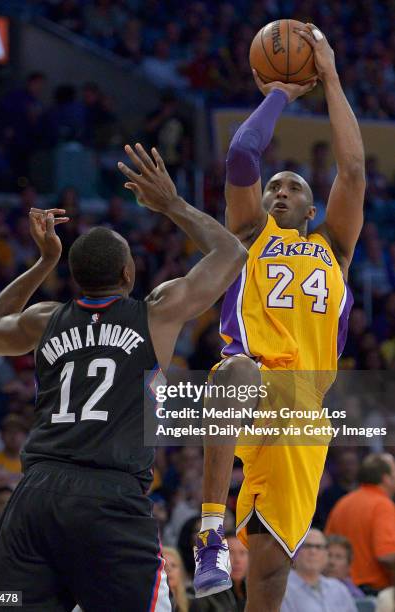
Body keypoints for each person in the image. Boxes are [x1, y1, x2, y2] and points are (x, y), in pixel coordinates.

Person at [0, 144, 246, 611]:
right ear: (128, 271)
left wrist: (41, 263)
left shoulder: (45, 318)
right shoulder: (155, 314)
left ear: (75, 275)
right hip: (111, 500)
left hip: (37, 494)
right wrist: (172, 203)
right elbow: (231, 252)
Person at [193, 22, 366, 612]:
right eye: (274, 188)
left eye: (293, 187)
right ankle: (210, 532)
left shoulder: (335, 247)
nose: (281, 193)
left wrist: (333, 75)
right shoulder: (247, 234)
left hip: (304, 413)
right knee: (236, 371)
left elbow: (354, 171)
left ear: (314, 206)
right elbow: (243, 152)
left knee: (269, 576)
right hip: (255, 382)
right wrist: (283, 94)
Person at [325, 453, 395, 595]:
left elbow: (327, 544)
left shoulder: (343, 502)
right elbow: (386, 555)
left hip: (340, 589)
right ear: (386, 479)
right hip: (372, 593)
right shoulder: (382, 505)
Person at [280, 529, 357, 612]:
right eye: (307, 546)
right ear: (295, 552)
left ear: (326, 554)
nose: (313, 551)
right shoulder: (282, 589)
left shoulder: (339, 589)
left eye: (319, 547)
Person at [325, 534, 364, 599]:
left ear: (348, 566)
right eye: (328, 555)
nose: (332, 562)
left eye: (338, 557)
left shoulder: (354, 595)